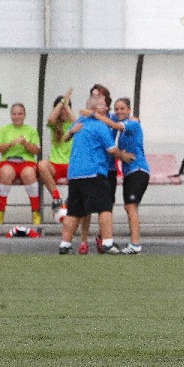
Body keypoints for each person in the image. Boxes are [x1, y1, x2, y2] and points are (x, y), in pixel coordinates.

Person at [57, 94, 129, 255]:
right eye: (104, 106)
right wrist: (124, 156)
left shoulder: (80, 121)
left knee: (74, 211)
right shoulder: (100, 126)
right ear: (95, 109)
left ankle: (65, 244)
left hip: (75, 174)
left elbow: (66, 136)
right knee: (105, 207)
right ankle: (108, 243)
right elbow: (111, 149)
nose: (106, 108)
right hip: (93, 173)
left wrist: (71, 132)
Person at [0, 103, 42, 225]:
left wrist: (25, 143)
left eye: (20, 113)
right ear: (10, 115)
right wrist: (10, 144)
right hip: (8, 161)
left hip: (26, 162)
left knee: (30, 174)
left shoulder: (30, 130)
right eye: (14, 114)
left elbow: (36, 150)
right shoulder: (4, 129)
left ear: (24, 115)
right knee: (6, 173)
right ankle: (0, 212)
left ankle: (35, 213)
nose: (17, 116)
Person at [110, 97, 148, 254]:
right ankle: (134, 243)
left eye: (122, 109)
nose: (119, 111)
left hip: (138, 171)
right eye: (116, 109)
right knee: (129, 207)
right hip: (129, 173)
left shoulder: (132, 124)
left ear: (129, 110)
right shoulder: (123, 128)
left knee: (130, 206)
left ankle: (135, 244)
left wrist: (97, 116)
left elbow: (114, 124)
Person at [38, 88, 75, 219]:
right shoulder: (54, 125)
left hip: (72, 165)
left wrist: (66, 104)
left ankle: (71, 199)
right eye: (61, 109)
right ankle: (56, 197)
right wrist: (62, 101)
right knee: (42, 164)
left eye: (66, 108)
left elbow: (76, 121)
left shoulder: (74, 125)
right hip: (56, 165)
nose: (63, 111)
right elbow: (50, 119)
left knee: (81, 168)